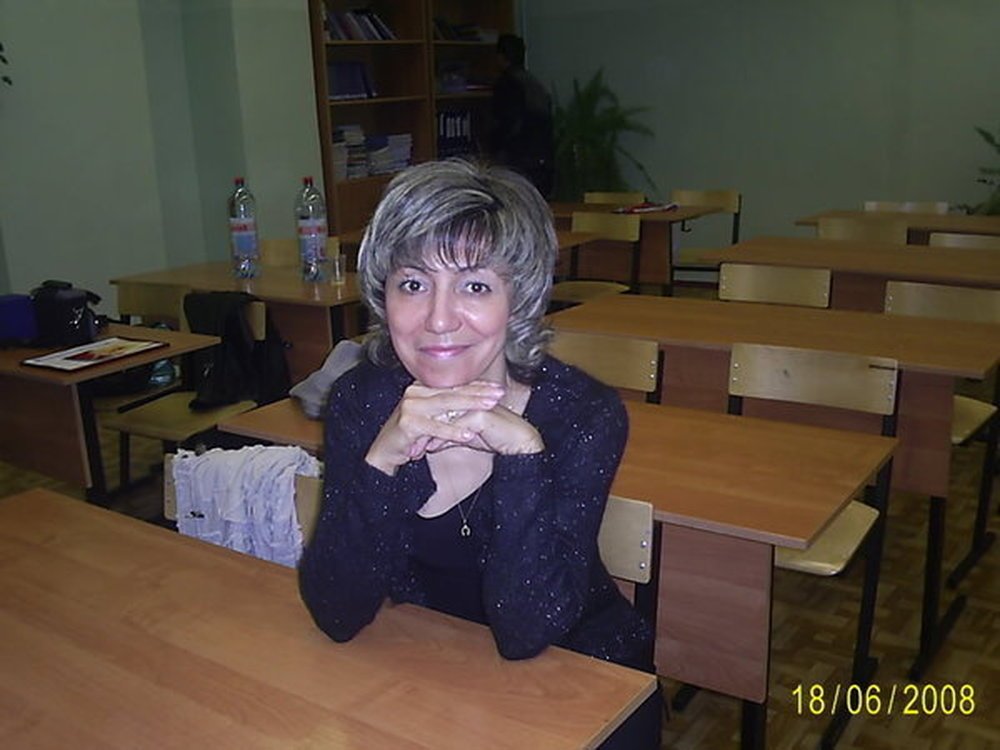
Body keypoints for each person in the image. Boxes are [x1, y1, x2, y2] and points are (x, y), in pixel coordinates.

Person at [297, 159, 661, 749]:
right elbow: (336, 612)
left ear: (518, 299)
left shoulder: (582, 414)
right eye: (413, 284)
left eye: (474, 286)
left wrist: (523, 456)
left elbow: (528, 631)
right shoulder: (361, 402)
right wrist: (381, 461)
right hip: (434, 667)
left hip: (582, 680)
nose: (439, 320)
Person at [489, 34, 554, 197]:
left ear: (501, 57)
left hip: (517, 162)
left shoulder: (508, 84)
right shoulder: (534, 84)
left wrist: (491, 149)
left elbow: (508, 124)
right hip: (541, 160)